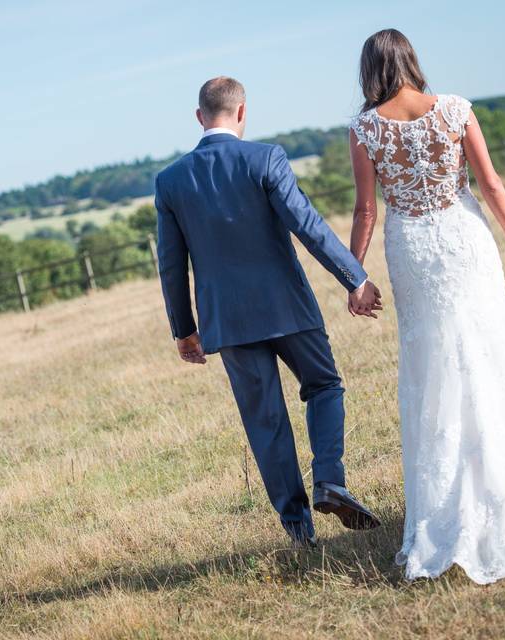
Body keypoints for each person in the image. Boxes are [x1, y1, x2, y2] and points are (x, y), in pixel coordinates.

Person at [347, 28, 505, 583]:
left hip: (414, 249)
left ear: (370, 70)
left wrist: (355, 276)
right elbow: (490, 183)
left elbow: (366, 212)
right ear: (411, 61)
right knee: (489, 357)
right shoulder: (455, 109)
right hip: (464, 239)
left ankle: (446, 509)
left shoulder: (365, 129)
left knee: (435, 368)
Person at [155, 76, 382, 548]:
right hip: (288, 306)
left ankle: (299, 533)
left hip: (228, 323)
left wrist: (184, 330)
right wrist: (355, 278)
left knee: (265, 421)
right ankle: (330, 480)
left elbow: (171, 264)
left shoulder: (170, 181)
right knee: (322, 385)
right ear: (241, 113)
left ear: (200, 117)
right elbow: (307, 225)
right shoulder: (266, 158)